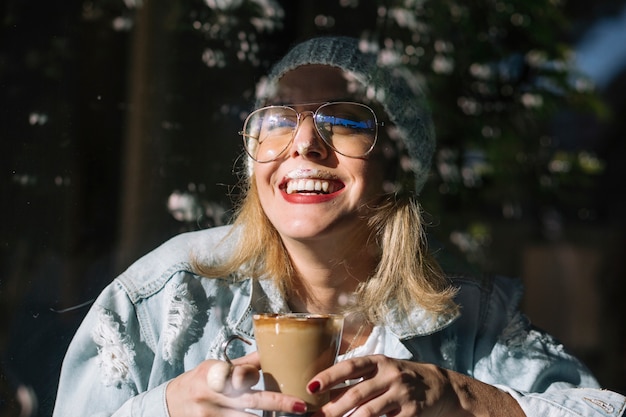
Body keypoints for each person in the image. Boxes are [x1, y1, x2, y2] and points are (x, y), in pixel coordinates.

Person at [52, 36, 625, 417]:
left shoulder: (470, 317)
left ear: (401, 166)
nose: (304, 143)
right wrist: (169, 407)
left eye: (344, 120)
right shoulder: (167, 293)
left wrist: (459, 396)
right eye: (279, 119)